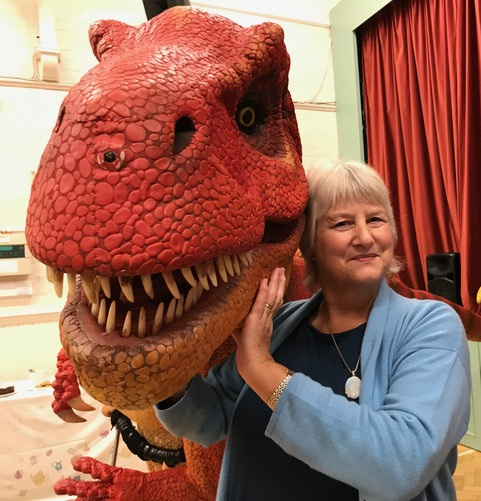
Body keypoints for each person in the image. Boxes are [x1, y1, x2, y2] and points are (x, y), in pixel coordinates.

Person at [155, 159, 470, 500]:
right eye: (343, 223)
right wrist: (164, 370)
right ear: (309, 243)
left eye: (376, 220)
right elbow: (208, 420)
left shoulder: (431, 327)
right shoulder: (279, 325)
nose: (365, 237)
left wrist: (262, 370)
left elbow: (401, 464)